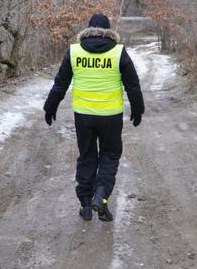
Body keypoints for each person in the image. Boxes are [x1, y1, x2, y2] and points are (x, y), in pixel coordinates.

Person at [43, 13, 144, 222]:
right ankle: (102, 196)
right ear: (109, 31)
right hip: (111, 116)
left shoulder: (75, 51)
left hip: (84, 117)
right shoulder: (118, 52)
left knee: (87, 156)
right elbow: (133, 85)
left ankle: (86, 204)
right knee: (109, 156)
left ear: (87, 29)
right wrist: (137, 108)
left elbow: (60, 83)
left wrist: (50, 106)